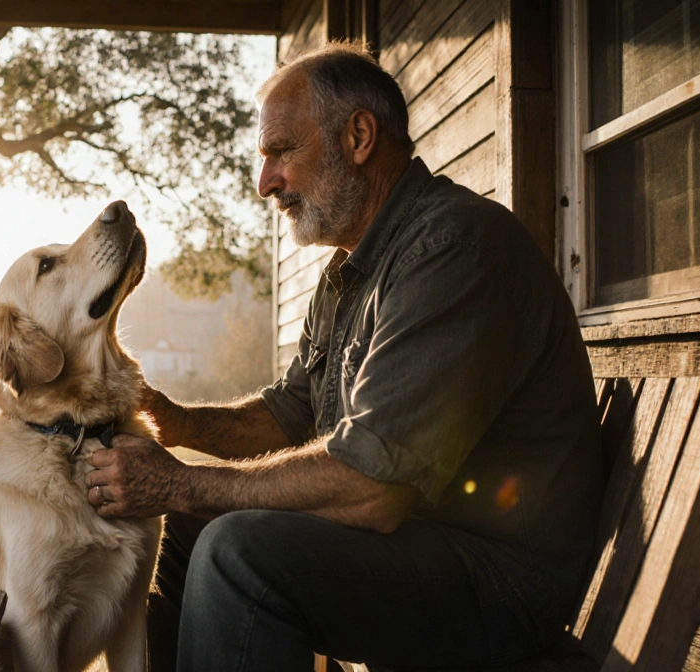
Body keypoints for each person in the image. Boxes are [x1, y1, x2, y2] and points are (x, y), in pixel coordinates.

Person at [84, 43, 604, 672]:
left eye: (281, 152)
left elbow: (372, 487)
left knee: (236, 552)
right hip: (421, 547)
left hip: (501, 581)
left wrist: (180, 482)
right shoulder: (348, 273)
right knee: (184, 532)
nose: (266, 183)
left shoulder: (454, 247)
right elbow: (289, 415)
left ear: (358, 136)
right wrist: (177, 421)